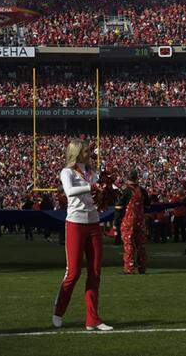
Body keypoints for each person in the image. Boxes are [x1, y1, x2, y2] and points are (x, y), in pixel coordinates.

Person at [52, 140, 112, 331]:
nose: (90, 153)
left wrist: (109, 190)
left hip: (94, 223)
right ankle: (59, 310)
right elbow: (69, 192)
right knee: (74, 272)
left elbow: (103, 191)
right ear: (77, 153)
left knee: (95, 272)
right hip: (75, 224)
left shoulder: (93, 173)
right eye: (86, 151)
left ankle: (92, 319)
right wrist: (92, 188)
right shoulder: (67, 172)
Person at [117, 171, 148, 273]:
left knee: (128, 244)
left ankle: (129, 268)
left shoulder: (125, 191)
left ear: (128, 179)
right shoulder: (143, 191)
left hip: (128, 221)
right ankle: (142, 267)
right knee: (141, 245)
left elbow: (119, 207)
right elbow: (148, 205)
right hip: (140, 220)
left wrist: (116, 222)